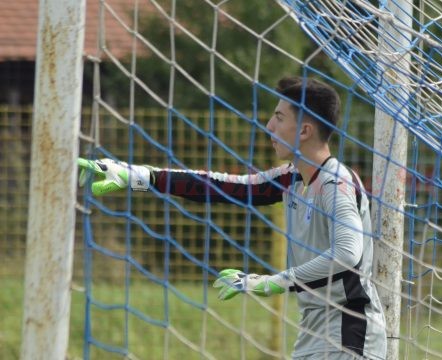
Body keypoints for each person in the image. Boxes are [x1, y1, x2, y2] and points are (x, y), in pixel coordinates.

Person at [78, 76, 387, 359]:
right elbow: (224, 186)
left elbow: (348, 253)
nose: (269, 126)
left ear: (305, 130)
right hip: (315, 330)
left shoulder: (335, 184)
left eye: (279, 118)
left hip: (350, 332)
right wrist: (141, 176)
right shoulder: (292, 179)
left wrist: (272, 283)